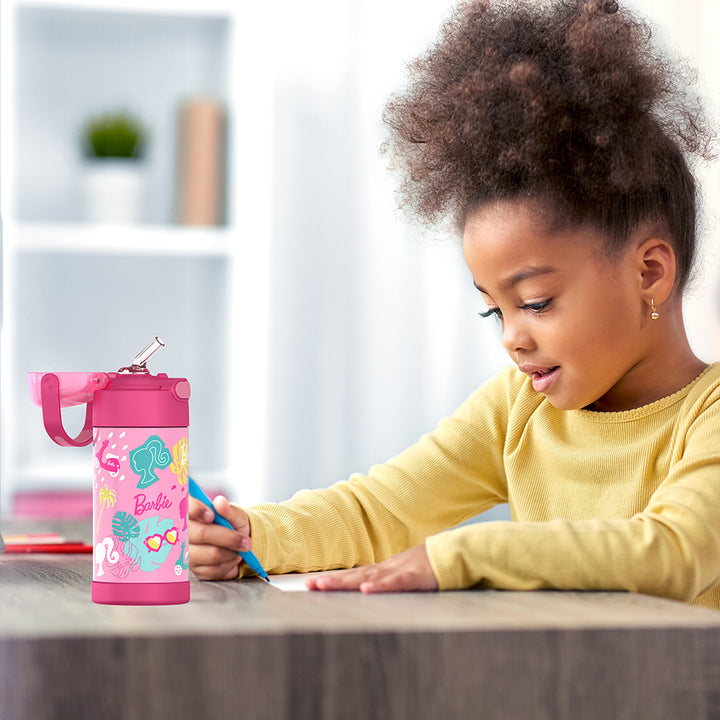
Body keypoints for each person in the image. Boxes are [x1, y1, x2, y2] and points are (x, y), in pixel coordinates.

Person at [190, 0, 720, 608]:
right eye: (496, 310)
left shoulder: (708, 417)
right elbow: (382, 510)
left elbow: (674, 554)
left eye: (537, 302)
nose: (512, 338)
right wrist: (254, 535)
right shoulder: (517, 411)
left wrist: (464, 554)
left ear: (649, 273)